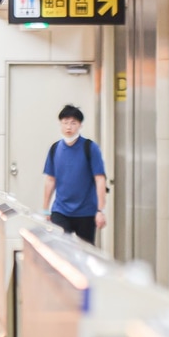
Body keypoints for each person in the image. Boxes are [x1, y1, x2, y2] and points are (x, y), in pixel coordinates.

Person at [42, 104, 106, 244]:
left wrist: (100, 210)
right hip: (60, 210)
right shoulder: (55, 149)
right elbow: (50, 180)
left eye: (73, 123)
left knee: (86, 251)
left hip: (86, 211)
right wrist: (46, 209)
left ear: (80, 125)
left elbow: (100, 179)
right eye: (65, 123)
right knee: (62, 248)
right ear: (60, 124)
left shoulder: (90, 148)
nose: (69, 127)